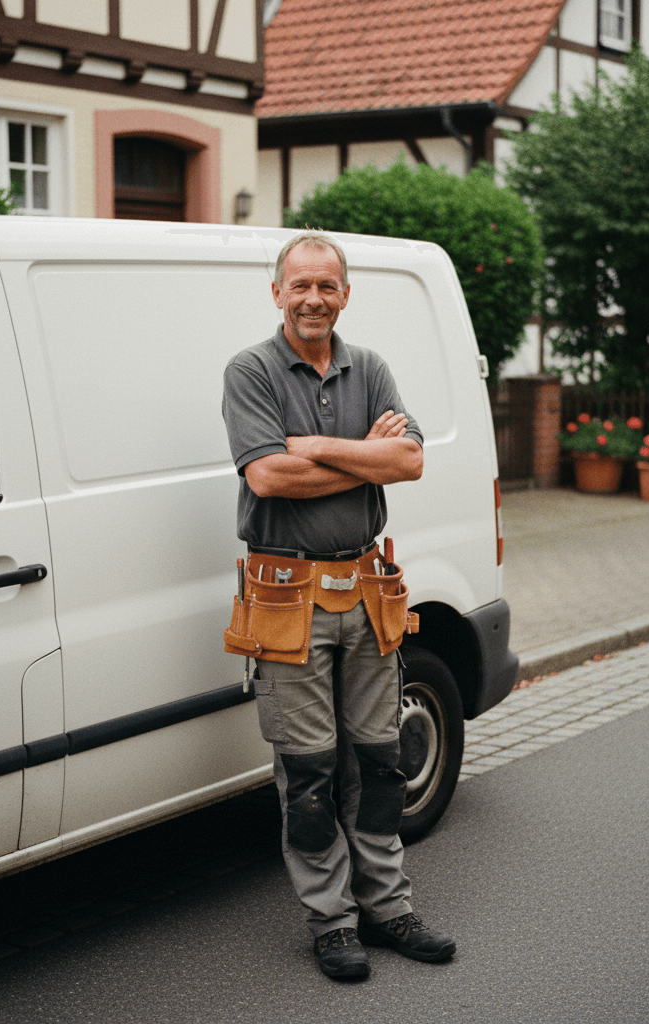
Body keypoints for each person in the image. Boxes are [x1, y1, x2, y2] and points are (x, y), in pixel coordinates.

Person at [222, 231, 456, 980]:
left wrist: (314, 445)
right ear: (278, 292)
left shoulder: (371, 368)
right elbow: (267, 478)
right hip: (286, 601)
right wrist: (364, 455)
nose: (314, 299)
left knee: (382, 762)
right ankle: (332, 922)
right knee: (311, 772)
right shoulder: (250, 371)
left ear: (345, 294)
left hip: (367, 593)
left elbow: (410, 459)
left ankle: (388, 909)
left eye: (327, 286)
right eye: (301, 285)